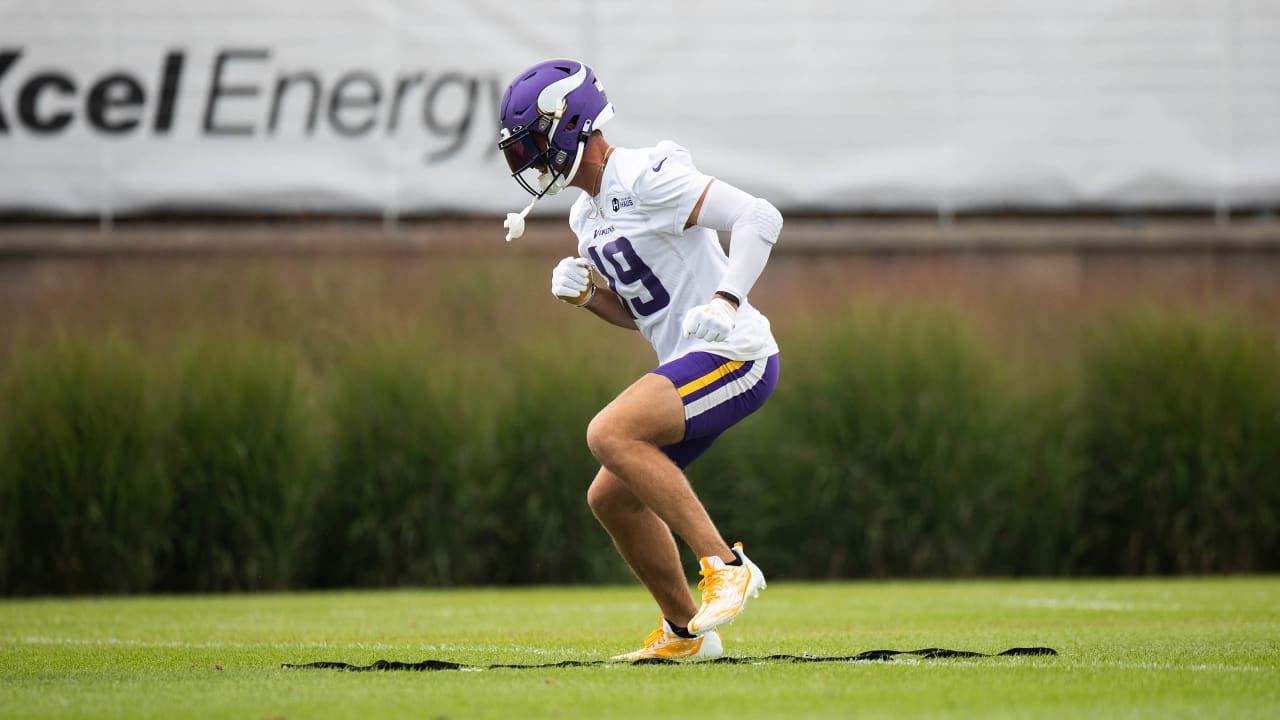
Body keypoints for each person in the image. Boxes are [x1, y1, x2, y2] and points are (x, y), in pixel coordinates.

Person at [496, 59, 783, 661]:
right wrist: (589, 298)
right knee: (610, 497)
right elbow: (642, 315)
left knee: (609, 432)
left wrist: (728, 300)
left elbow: (759, 217)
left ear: (570, 124)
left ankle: (726, 565)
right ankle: (686, 633)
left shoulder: (645, 176)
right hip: (692, 357)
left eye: (533, 143)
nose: (529, 161)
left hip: (736, 354)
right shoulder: (587, 215)